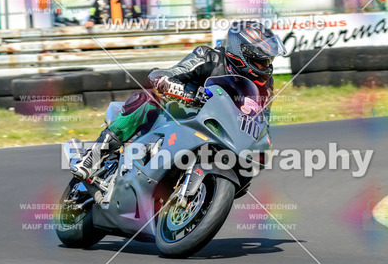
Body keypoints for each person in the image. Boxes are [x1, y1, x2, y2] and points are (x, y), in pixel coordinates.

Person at [70, 20, 286, 180]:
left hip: (220, 130)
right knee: (146, 99)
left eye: (269, 60)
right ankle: (93, 157)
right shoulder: (209, 57)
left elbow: (261, 118)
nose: (266, 66)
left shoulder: (264, 84)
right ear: (242, 53)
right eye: (261, 61)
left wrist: (261, 144)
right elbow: (169, 73)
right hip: (181, 113)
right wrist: (171, 84)